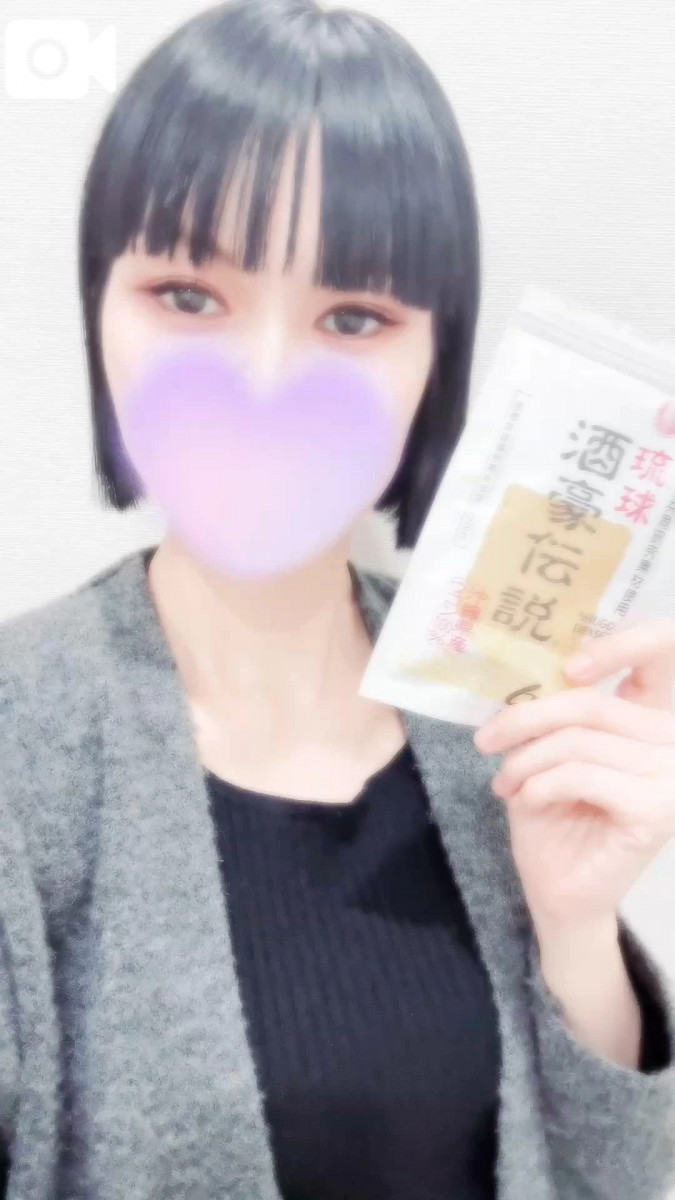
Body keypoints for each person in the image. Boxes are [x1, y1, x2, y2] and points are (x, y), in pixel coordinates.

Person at [0, 2, 674, 1198]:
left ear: (435, 364)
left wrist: (576, 925)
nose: (264, 381)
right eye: (187, 295)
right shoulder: (21, 743)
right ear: (98, 305)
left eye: (353, 317)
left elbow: (613, 1178)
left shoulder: (492, 709)